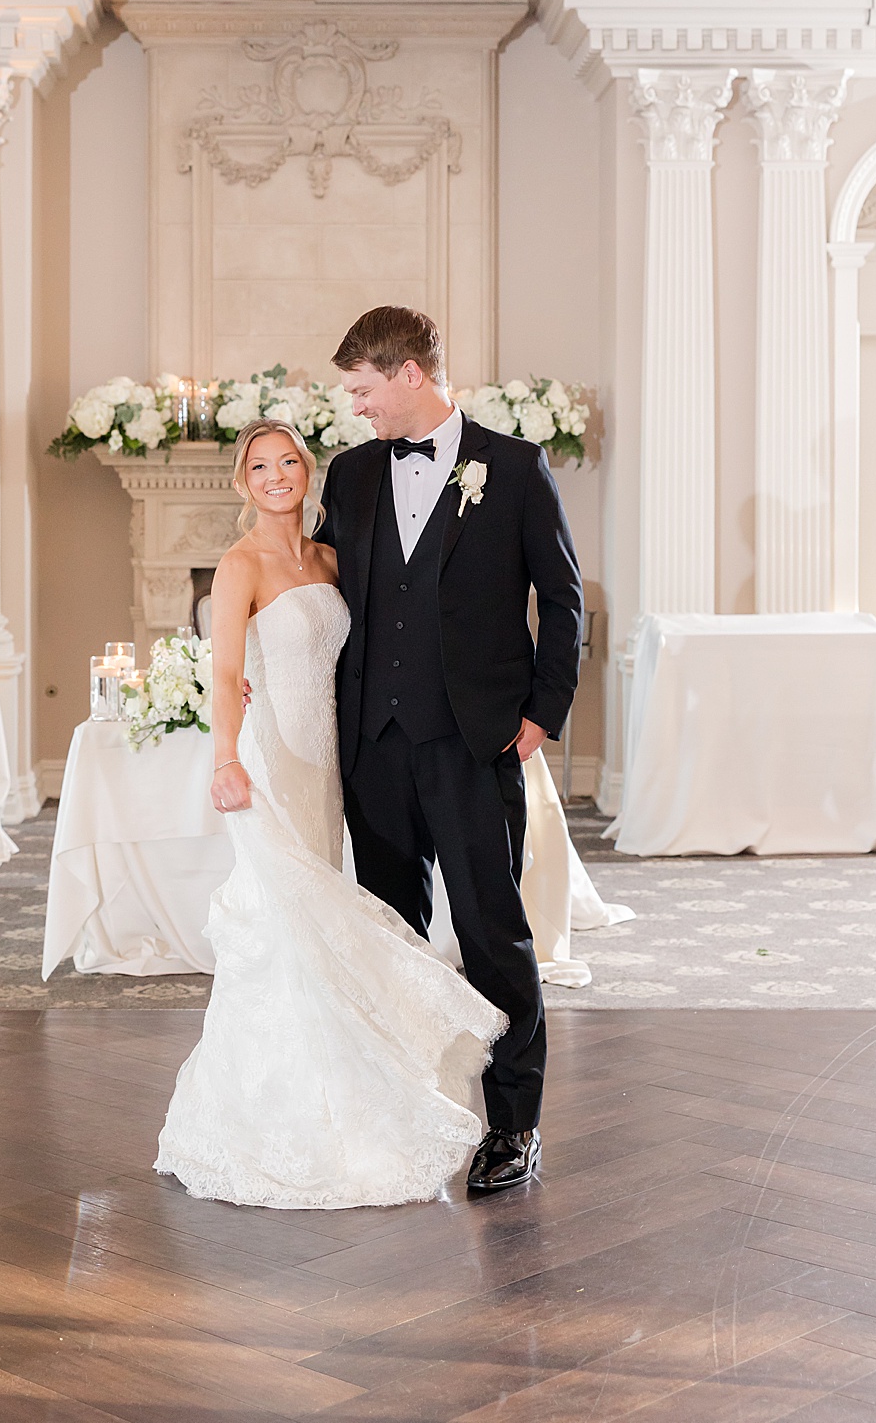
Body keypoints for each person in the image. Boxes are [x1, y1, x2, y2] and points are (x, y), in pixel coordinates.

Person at [155, 421, 507, 1208]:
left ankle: (346, 1094)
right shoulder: (240, 564)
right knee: (288, 921)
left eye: (288, 462)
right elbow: (225, 673)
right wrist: (226, 758)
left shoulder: (330, 558)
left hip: (333, 762)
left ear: (307, 473)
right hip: (273, 758)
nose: (276, 475)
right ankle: (275, 1115)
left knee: (322, 915)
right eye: (260, 466)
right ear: (241, 482)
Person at [315, 306, 585, 1195]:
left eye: (363, 389)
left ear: (409, 375)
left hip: (473, 742)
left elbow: (564, 599)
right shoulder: (351, 476)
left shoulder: (512, 468)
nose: (356, 408)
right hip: (374, 744)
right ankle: (406, 1101)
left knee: (491, 931)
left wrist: (542, 714)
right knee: (388, 931)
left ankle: (515, 1124)